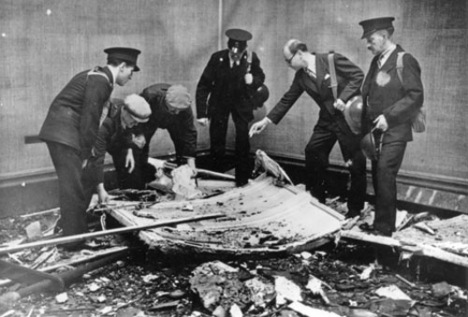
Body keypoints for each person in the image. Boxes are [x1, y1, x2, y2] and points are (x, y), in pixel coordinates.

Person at [249, 39, 366, 217]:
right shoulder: (301, 77)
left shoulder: (331, 60)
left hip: (346, 119)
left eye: (289, 61)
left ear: (300, 54)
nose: (288, 65)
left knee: (355, 163)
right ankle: (317, 200)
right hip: (327, 120)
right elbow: (287, 99)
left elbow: (358, 75)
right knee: (313, 151)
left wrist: (343, 98)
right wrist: (265, 121)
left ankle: (355, 210)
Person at [39, 47, 141, 243]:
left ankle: (74, 234)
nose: (130, 77)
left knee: (77, 186)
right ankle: (74, 244)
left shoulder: (99, 77)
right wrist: (85, 154)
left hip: (63, 134)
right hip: (64, 135)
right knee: (73, 189)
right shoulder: (100, 81)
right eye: (130, 71)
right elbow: (90, 119)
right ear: (121, 66)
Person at [358, 17, 424, 236]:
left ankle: (384, 231)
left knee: (385, 173)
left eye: (370, 39)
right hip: (376, 131)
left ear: (384, 36)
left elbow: (415, 96)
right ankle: (381, 223)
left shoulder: (404, 60)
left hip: (395, 130)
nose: (367, 44)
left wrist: (389, 116)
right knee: (378, 175)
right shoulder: (376, 62)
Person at [196, 28, 266, 186]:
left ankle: (242, 179)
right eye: (232, 52)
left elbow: (261, 76)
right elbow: (203, 85)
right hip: (220, 101)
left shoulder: (251, 58)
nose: (235, 55)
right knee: (217, 137)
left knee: (242, 137)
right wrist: (202, 113)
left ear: (244, 50)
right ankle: (216, 175)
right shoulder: (217, 58)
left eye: (239, 53)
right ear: (228, 48)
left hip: (241, 102)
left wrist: (253, 80)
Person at [112, 83, 198, 190]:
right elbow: (136, 115)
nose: (176, 113)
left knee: (184, 150)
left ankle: (186, 185)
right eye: (173, 109)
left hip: (175, 124)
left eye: (179, 110)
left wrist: (191, 162)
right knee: (139, 148)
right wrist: (140, 133)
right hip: (149, 121)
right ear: (165, 101)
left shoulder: (184, 109)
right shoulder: (150, 96)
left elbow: (189, 134)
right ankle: (137, 186)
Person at [83, 94, 151, 203]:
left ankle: (129, 195)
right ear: (124, 110)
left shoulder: (126, 112)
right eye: (134, 120)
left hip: (113, 136)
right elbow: (97, 157)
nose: (136, 124)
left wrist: (129, 150)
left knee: (130, 156)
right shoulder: (104, 121)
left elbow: (128, 129)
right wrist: (100, 189)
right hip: (85, 142)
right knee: (87, 170)